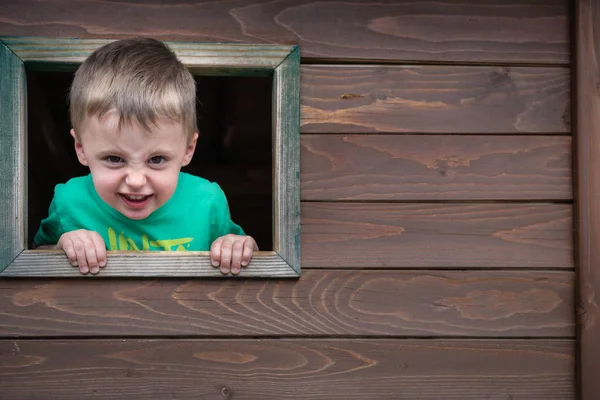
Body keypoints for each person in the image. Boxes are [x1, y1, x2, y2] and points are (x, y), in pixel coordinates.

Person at [34, 38, 257, 276]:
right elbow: (29, 260)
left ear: (188, 150)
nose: (136, 180)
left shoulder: (207, 201)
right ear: (80, 148)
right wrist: (63, 245)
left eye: (157, 159)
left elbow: (246, 254)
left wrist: (236, 246)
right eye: (114, 158)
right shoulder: (70, 201)